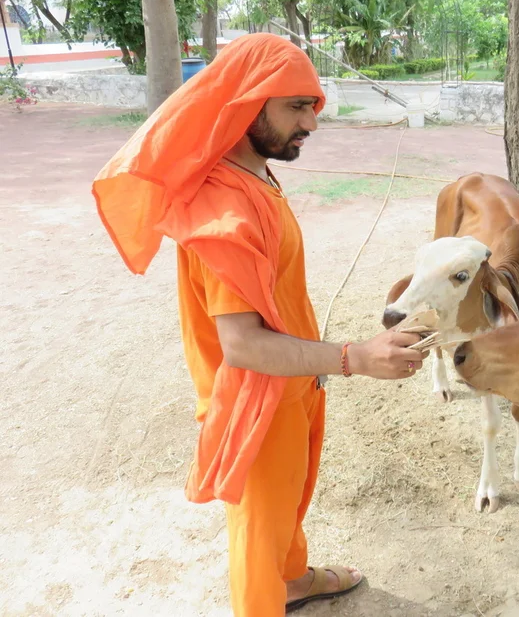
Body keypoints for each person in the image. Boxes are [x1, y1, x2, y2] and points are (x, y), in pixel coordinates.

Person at [91, 33, 427, 616]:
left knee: (288, 503)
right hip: (257, 403)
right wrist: (355, 357)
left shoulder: (256, 178)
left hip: (293, 381)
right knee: (258, 532)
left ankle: (292, 581)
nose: (311, 124)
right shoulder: (225, 210)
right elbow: (243, 346)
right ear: (247, 103)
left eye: (313, 106)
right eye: (296, 107)